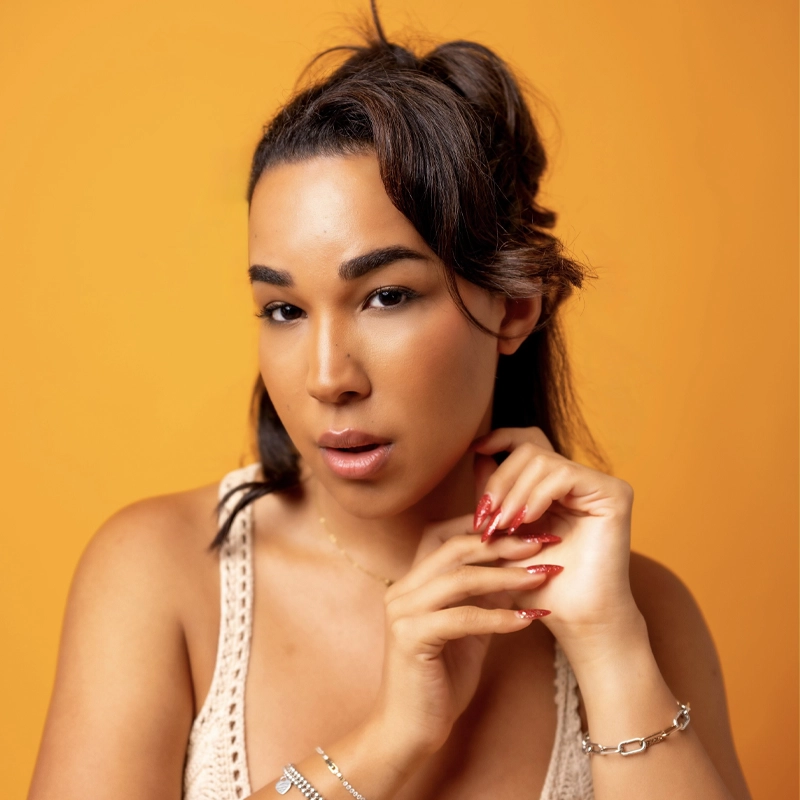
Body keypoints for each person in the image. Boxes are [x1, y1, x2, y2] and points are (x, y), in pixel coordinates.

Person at [27, 3, 752, 799]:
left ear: (514, 307)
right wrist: (389, 740)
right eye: (284, 310)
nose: (327, 376)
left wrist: (611, 652)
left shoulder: (642, 611)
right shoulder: (161, 575)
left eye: (386, 297)